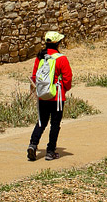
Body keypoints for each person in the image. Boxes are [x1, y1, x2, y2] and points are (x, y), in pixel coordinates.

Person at [27, 29, 73, 161]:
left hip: (42, 95)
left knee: (41, 122)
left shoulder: (40, 57)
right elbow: (67, 78)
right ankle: (50, 151)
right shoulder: (62, 59)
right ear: (58, 43)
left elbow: (35, 76)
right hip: (57, 96)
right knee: (55, 124)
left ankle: (33, 145)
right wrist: (64, 89)